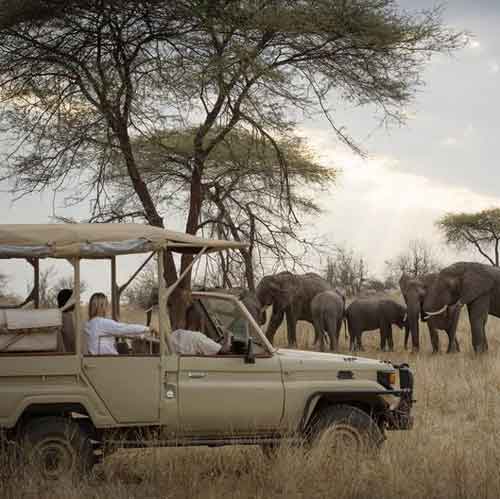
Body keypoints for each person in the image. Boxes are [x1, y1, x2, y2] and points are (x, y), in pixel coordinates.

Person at [84, 292, 152, 355]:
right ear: (101, 306)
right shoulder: (102, 323)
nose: (108, 307)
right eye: (106, 304)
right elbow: (125, 328)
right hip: (109, 360)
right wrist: (148, 329)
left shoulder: (89, 324)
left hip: (96, 357)